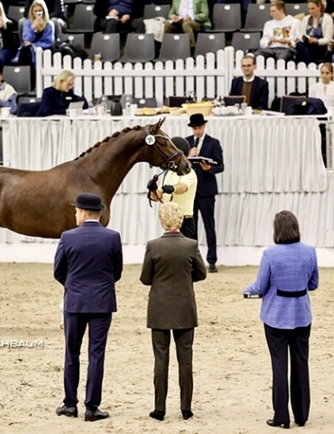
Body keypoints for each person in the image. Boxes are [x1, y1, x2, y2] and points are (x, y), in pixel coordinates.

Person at [243, 210, 318, 429]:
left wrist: (246, 291)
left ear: (277, 230)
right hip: (302, 314)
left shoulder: (270, 255)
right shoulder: (309, 252)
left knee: (279, 364)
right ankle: (302, 414)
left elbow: (260, 286)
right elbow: (313, 284)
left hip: (276, 315)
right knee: (301, 363)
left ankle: (281, 416)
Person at [54, 193, 123, 421]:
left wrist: (73, 285)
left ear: (83, 212)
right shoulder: (112, 237)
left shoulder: (68, 237)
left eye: (76, 211)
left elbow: (58, 271)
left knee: (71, 353)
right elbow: (117, 272)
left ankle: (70, 404)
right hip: (102, 302)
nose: (75, 214)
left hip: (75, 302)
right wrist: (100, 285)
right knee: (96, 354)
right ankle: (92, 407)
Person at [140, 202, 207, 422]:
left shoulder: (153, 246)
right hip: (184, 307)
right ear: (180, 221)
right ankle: (186, 407)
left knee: (161, 359)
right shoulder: (191, 245)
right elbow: (201, 273)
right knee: (185, 359)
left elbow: (146, 278)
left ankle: (159, 408)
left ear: (162, 220)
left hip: (159, 307)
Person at [186, 113, 224, 273]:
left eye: (199, 128)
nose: (197, 131)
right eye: (195, 128)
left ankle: (212, 260)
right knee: (191, 227)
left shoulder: (213, 143)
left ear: (204, 126)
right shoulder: (186, 142)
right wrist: (189, 157)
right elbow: (179, 163)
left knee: (209, 225)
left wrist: (209, 169)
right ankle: (193, 260)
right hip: (190, 191)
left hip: (206, 191)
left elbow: (221, 166)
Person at [147, 137, 198, 239]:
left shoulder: (189, 172)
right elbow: (158, 196)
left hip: (183, 222)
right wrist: (152, 190)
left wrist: (172, 188)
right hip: (169, 222)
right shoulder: (169, 173)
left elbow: (183, 187)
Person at [12, 0, 54, 68]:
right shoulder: (27, 23)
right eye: (35, 11)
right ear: (32, 12)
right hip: (29, 49)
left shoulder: (49, 25)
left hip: (43, 50)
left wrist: (33, 45)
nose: (38, 13)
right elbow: (26, 39)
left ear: (44, 11)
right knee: (26, 51)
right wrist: (33, 27)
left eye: (40, 10)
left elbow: (49, 42)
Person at [295, 0, 334, 64]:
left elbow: (328, 39)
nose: (310, 11)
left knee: (303, 51)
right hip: (308, 45)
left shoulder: (327, 19)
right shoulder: (306, 19)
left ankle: (307, 66)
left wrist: (316, 41)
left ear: (319, 7)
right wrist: (304, 38)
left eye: (313, 8)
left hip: (321, 46)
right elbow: (301, 34)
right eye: (309, 9)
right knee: (299, 45)